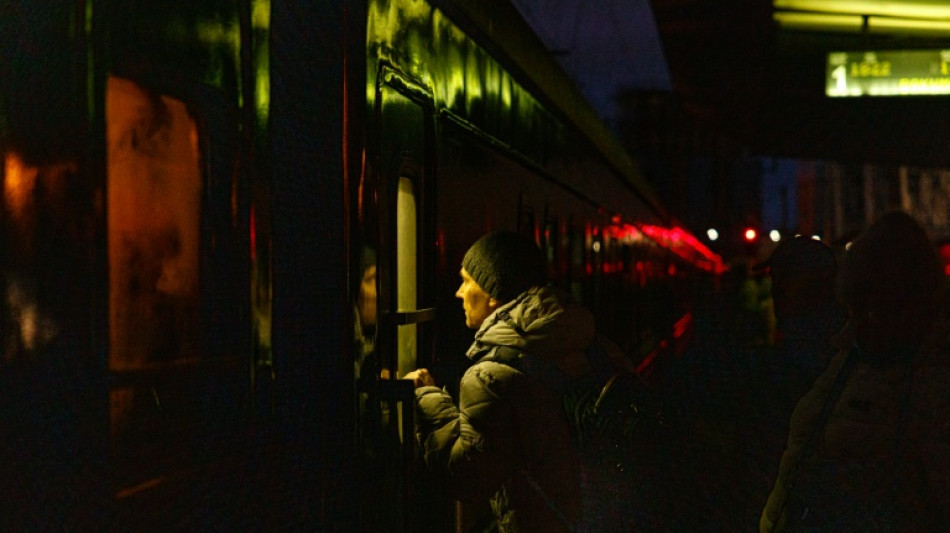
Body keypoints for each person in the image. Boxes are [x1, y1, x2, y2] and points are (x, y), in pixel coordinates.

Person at [404, 230, 634, 532]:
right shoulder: (598, 347)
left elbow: (466, 477)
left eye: (467, 281)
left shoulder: (490, 376)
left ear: (493, 293)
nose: (459, 293)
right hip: (610, 517)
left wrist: (427, 397)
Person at [760, 212, 950, 532]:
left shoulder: (928, 379)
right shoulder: (847, 358)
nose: (870, 319)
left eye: (884, 304)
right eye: (862, 304)